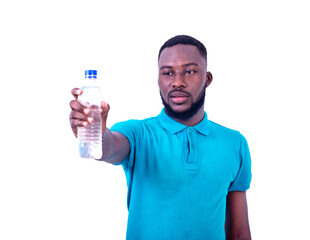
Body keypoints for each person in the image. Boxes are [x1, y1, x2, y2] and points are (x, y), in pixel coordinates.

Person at [69, 35, 252, 240]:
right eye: (167, 73)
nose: (177, 82)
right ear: (158, 79)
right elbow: (109, 146)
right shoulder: (138, 133)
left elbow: (239, 233)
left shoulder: (234, 143)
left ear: (207, 79)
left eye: (190, 71)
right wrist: (95, 133)